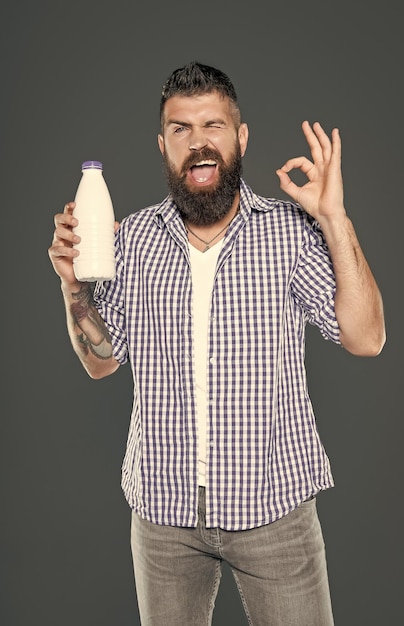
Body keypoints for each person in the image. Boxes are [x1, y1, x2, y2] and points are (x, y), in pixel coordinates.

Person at [48, 61, 386, 625]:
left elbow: (368, 337)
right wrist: (72, 286)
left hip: (275, 510)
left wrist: (333, 216)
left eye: (214, 126)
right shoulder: (130, 241)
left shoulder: (288, 232)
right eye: (181, 129)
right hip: (164, 517)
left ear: (241, 136)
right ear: (162, 144)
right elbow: (102, 363)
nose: (199, 143)